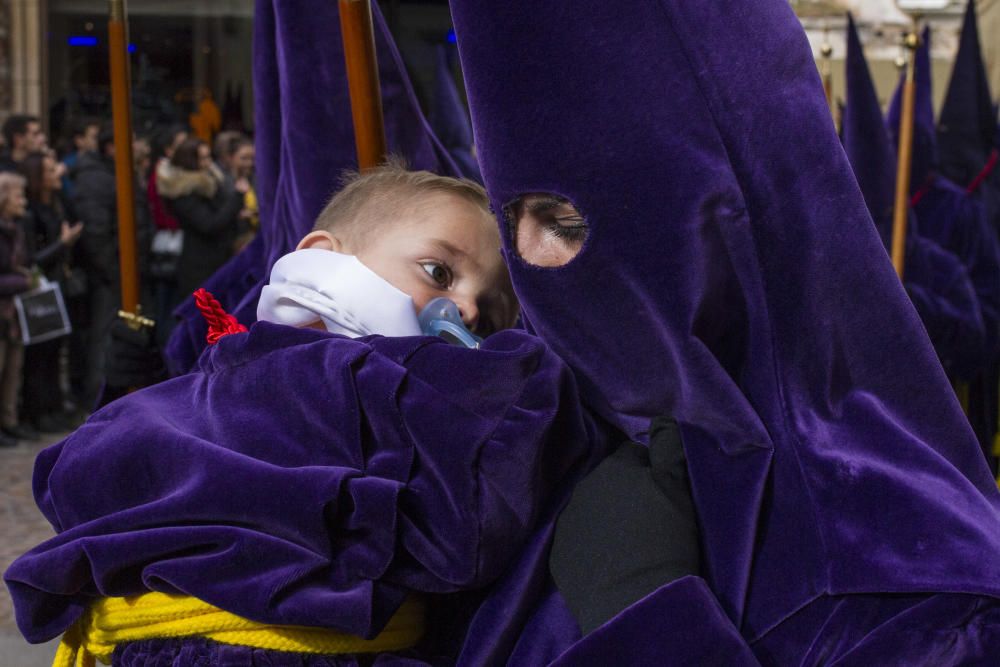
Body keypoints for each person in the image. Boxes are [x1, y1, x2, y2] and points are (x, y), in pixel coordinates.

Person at [444, 0, 1000, 662]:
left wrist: (647, 616)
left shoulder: (915, 598)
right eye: (512, 225)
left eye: (565, 222)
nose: (529, 265)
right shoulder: (543, 444)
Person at [2, 162, 615, 667]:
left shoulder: (421, 400)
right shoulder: (228, 371)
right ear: (323, 256)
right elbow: (85, 484)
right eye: (438, 271)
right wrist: (129, 393)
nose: (469, 311)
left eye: (494, 307)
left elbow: (462, 539)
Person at [73, 124, 152, 408]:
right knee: (104, 338)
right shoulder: (97, 178)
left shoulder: (119, 173)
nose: (139, 146)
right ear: (112, 147)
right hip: (111, 276)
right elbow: (96, 232)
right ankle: (99, 400)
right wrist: (116, 272)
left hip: (125, 271)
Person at [18, 152, 83, 432]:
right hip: (39, 289)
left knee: (56, 351)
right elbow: (32, 259)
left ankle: (54, 407)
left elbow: (75, 217)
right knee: (40, 355)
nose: (58, 172)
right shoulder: (31, 214)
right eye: (50, 170)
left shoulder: (56, 204)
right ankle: (38, 411)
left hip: (60, 285)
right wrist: (63, 244)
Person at [158, 137, 246, 300]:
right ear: (191, 161)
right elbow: (209, 224)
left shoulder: (211, 183)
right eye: (203, 158)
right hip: (200, 267)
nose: (208, 162)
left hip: (218, 260)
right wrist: (237, 198)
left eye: (209, 157)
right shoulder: (184, 192)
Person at [0, 173, 36, 447]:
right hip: (4, 307)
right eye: (17, 195)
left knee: (14, 368)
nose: (23, 201)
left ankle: (8, 421)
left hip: (14, 311)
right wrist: (23, 281)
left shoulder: (17, 229)